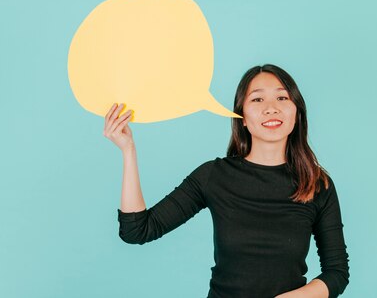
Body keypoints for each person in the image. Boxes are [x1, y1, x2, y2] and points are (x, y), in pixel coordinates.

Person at [103, 64, 350, 298]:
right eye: (257, 99)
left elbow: (337, 273)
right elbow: (137, 230)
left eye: (282, 98)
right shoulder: (214, 175)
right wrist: (128, 151)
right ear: (241, 116)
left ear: (297, 112)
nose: (271, 108)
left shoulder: (317, 184)